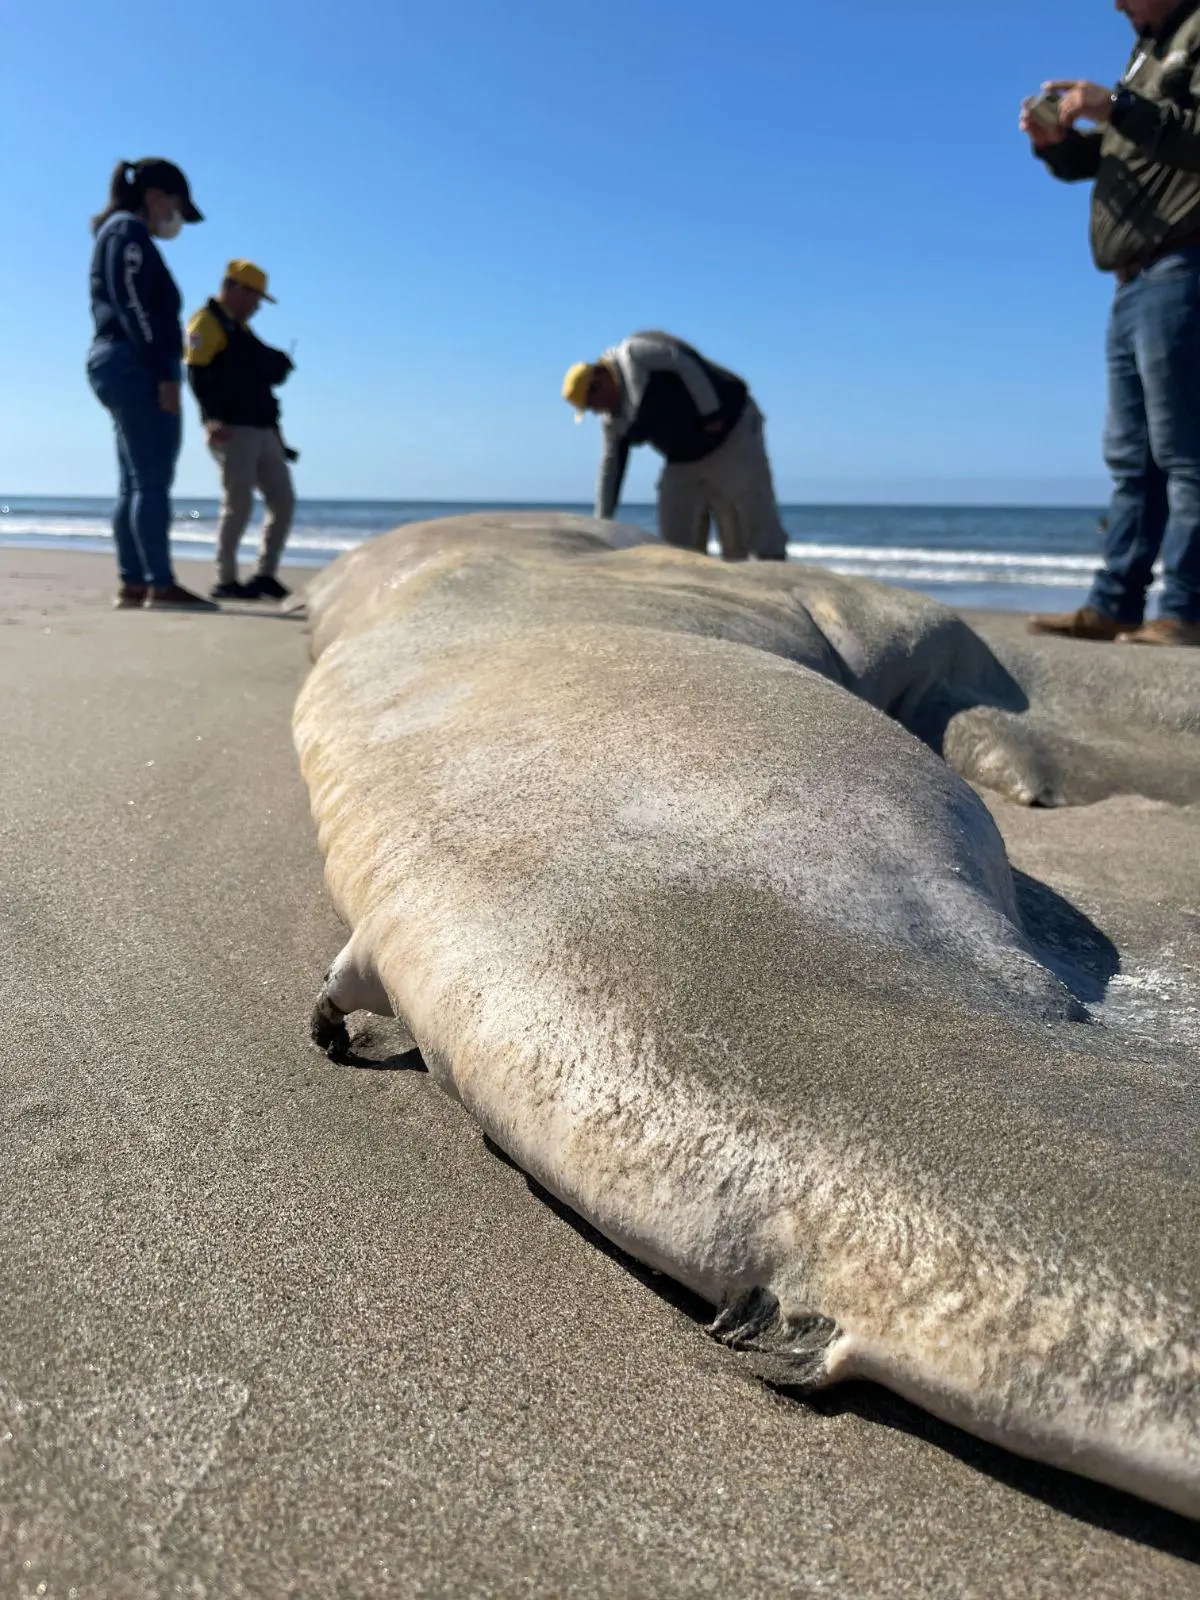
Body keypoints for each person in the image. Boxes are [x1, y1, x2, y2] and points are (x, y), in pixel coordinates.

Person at [1024, 0, 1200, 649]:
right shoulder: (1148, 51)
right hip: (1134, 279)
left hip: (1184, 264)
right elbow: (1126, 157)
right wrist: (1062, 147)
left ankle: (1183, 609)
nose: (1116, 3)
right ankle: (1117, 603)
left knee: (1186, 453)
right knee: (1133, 460)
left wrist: (1116, 106)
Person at [87, 158, 217, 610]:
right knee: (153, 480)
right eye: (177, 206)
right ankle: (159, 583)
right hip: (134, 365)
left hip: (118, 363)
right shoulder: (128, 233)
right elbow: (133, 304)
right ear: (156, 196)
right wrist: (164, 371)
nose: (176, 218)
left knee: (134, 481)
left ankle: (136, 581)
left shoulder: (120, 232)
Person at [561, 331, 789, 560]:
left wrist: (711, 412)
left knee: (750, 520)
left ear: (599, 379)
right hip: (683, 459)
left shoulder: (636, 353)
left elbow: (683, 360)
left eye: (592, 403)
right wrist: (602, 522)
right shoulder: (614, 421)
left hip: (731, 436)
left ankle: (777, 571)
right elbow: (611, 465)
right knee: (675, 535)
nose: (596, 411)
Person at [185, 261, 297, 601]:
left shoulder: (241, 330)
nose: (257, 306)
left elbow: (260, 370)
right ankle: (226, 579)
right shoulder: (207, 322)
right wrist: (210, 417)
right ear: (234, 288)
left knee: (283, 501)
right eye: (254, 297)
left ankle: (264, 574)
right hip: (233, 429)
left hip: (264, 429)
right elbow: (196, 372)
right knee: (239, 503)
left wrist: (277, 363)